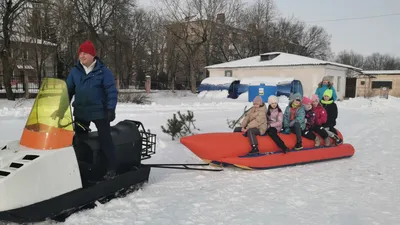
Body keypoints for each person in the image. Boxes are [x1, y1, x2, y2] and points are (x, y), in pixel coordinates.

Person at [51, 40, 118, 180]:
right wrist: (61, 109)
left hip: (100, 112)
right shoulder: (75, 71)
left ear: (93, 55)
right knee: (79, 141)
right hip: (81, 112)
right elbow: (68, 91)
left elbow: (111, 91)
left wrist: (111, 109)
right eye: (80, 53)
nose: (82, 56)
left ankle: (111, 168)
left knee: (105, 139)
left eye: (85, 53)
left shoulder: (103, 71)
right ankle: (81, 167)